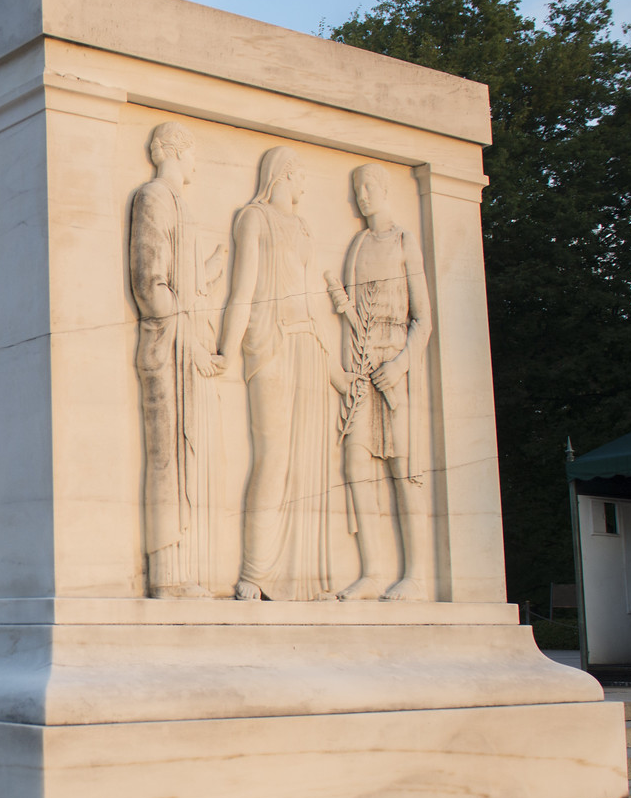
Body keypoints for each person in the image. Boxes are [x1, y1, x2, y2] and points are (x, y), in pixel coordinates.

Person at [211, 145, 340, 601]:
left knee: (309, 462)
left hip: (308, 346)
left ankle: (302, 577)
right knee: (274, 457)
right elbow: (242, 290)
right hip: (271, 345)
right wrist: (227, 349)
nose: (305, 184)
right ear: (285, 173)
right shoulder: (254, 218)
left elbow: (311, 298)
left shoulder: (302, 226)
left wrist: (335, 367)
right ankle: (254, 572)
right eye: (301, 174)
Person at [326, 162, 434, 601]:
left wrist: (403, 363)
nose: (361, 196)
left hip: (394, 367)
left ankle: (417, 575)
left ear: (384, 188)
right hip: (362, 364)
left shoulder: (405, 242)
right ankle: (373, 570)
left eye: (368, 187)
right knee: (355, 462)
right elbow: (351, 320)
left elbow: (423, 318)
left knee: (403, 470)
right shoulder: (358, 243)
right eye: (357, 188)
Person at [129, 122, 225, 597]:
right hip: (168, 346)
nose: (196, 165)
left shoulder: (177, 203)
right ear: (178, 151)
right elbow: (152, 285)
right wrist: (186, 328)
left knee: (187, 458)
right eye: (194, 153)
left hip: (185, 343)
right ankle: (167, 575)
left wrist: (210, 270)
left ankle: (186, 570)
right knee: (168, 458)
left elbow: (179, 282)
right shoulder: (155, 197)